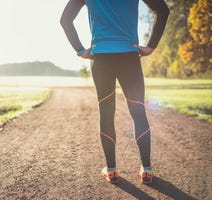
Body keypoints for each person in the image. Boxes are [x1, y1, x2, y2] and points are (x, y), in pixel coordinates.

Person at [60, 0, 169, 184]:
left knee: (106, 112)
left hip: (101, 58)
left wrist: (80, 50)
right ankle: (147, 170)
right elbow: (163, 10)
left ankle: (111, 171)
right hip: (129, 56)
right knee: (138, 111)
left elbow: (65, 20)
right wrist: (151, 46)